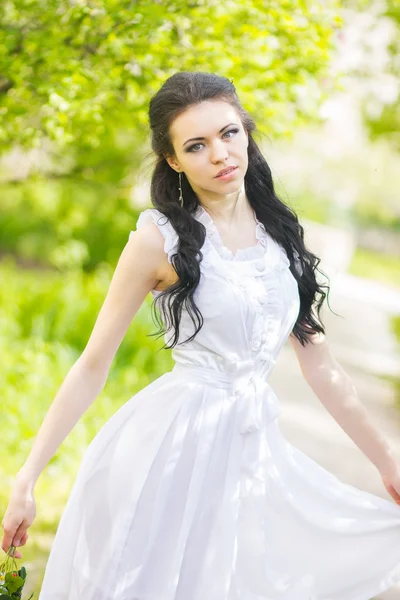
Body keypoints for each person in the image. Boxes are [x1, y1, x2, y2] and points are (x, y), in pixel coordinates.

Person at [2, 71, 400, 600]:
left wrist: (388, 463)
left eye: (229, 133)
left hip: (251, 453)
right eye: (196, 145)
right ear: (174, 160)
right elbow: (94, 363)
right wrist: (28, 477)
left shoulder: (281, 237)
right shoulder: (158, 240)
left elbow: (321, 366)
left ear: (247, 134)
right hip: (168, 449)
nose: (220, 154)